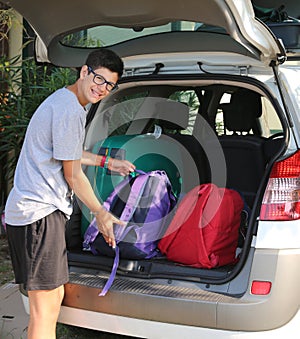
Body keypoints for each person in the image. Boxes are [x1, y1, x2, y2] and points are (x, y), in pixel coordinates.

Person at [4, 48, 135, 339]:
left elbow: (68, 155)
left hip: (32, 212)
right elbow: (72, 173)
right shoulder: (69, 110)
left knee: (51, 299)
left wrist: (107, 162)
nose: (101, 89)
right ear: (84, 71)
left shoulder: (66, 102)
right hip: (38, 213)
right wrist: (101, 213)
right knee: (45, 308)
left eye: (109, 85)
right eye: (98, 79)